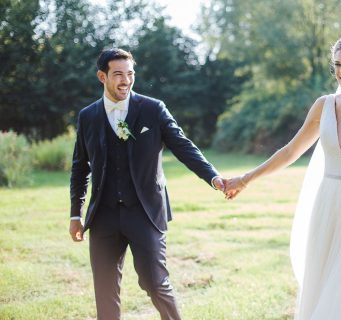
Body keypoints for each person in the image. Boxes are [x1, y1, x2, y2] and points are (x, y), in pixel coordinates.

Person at [224, 33, 341, 319]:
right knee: (323, 290)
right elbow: (290, 151)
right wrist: (246, 178)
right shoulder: (324, 106)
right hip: (328, 207)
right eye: (337, 64)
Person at [69, 48, 225, 320]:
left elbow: (183, 146)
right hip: (103, 214)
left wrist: (213, 177)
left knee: (155, 283)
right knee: (104, 289)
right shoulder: (88, 116)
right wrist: (75, 213)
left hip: (145, 212)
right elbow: (80, 167)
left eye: (130, 74)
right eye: (118, 74)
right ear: (101, 76)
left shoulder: (153, 109)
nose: (126, 81)